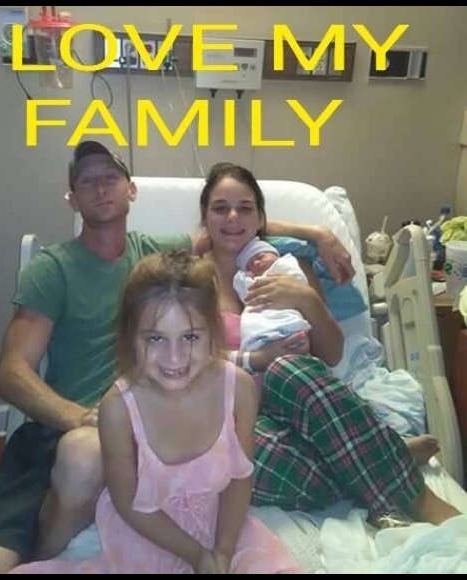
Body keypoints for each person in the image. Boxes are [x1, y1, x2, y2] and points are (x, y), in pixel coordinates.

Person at [0, 140, 355, 574]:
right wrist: (77, 416)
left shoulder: (156, 256)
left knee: (86, 460)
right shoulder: (53, 268)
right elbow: (11, 373)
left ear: (131, 190)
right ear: (72, 198)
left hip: (138, 427)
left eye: (111, 177)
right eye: (87, 181)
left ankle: (48, 548)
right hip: (60, 426)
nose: (101, 187)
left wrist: (318, 233)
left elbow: (231, 226)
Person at [198, 160, 461, 528]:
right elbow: (188, 357)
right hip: (237, 409)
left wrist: (306, 299)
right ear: (204, 217)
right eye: (220, 208)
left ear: (260, 218)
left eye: (245, 208)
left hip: (299, 391)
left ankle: (417, 499)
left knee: (286, 368)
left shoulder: (289, 264)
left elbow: (333, 355)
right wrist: (256, 358)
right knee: (249, 461)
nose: (232, 217)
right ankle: (383, 452)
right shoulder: (191, 276)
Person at [8, 250, 304, 574]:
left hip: (225, 531)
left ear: (213, 332)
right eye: (156, 339)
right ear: (131, 337)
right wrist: (197, 556)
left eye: (190, 336)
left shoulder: (240, 390)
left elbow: (239, 480)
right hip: (149, 537)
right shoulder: (118, 408)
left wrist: (221, 552)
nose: (175, 357)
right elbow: (127, 501)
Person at [233, 236, 311, 354]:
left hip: (285, 318)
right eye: (250, 265)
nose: (256, 263)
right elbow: (246, 297)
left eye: (260, 257)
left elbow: (299, 282)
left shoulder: (283, 265)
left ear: (276, 256)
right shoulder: (253, 280)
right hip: (259, 327)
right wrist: (246, 278)